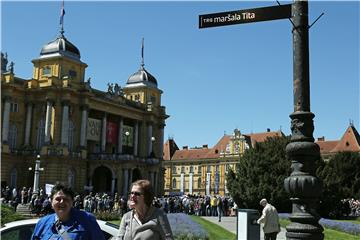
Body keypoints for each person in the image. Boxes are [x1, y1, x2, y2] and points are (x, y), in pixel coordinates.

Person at [31, 183, 105, 240]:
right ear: (51, 201)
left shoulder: (87, 220)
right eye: (58, 199)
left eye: (66, 199)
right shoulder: (43, 223)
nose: (62, 202)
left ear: (72, 202)